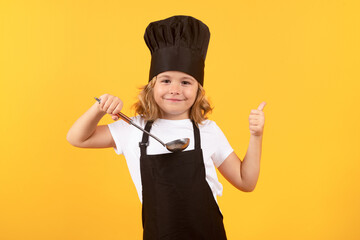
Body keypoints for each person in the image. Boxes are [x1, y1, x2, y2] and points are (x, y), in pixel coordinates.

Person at [67, 15, 266, 240]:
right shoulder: (134, 128)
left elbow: (246, 181)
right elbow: (77, 138)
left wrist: (256, 135)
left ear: (198, 90)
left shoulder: (208, 130)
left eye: (185, 82)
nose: (175, 89)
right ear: (152, 86)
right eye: (166, 80)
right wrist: (99, 108)